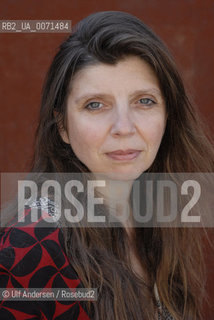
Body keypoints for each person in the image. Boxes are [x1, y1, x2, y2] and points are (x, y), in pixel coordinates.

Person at [0, 11, 214, 320]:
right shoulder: (30, 245)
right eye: (95, 105)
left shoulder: (158, 220)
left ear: (168, 115)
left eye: (144, 101)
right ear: (62, 126)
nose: (124, 127)